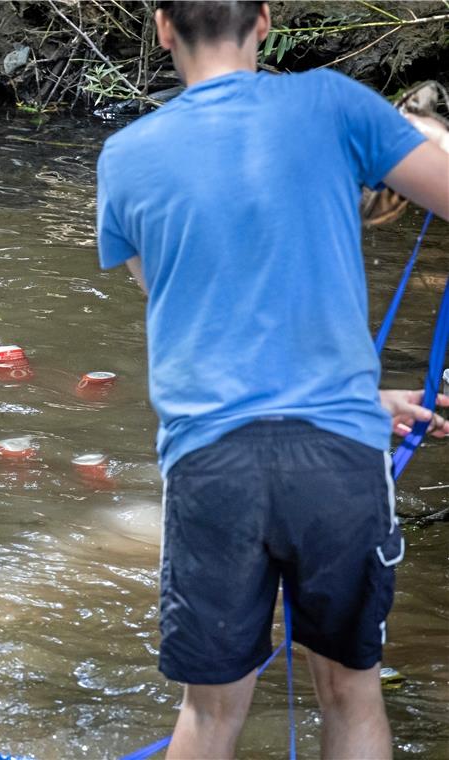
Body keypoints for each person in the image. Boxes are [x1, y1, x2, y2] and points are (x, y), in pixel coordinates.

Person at [94, 2, 449, 758]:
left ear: (161, 28)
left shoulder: (125, 157)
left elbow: (176, 295)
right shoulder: (332, 100)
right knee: (351, 697)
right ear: (262, 21)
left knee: (210, 713)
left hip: (211, 461)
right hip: (337, 456)